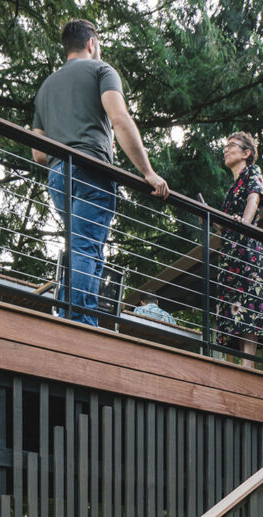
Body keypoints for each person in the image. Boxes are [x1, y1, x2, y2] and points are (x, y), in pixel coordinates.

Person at [31, 19, 169, 326]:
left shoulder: (46, 87)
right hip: (91, 168)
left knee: (79, 246)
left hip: (57, 175)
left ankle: (71, 315)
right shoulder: (101, 70)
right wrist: (147, 172)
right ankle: (81, 324)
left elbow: (38, 153)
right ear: (92, 43)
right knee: (87, 247)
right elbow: (119, 119)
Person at [215, 132, 263, 366]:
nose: (226, 149)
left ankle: (248, 366)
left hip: (246, 247)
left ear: (246, 153)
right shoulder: (231, 188)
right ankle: (241, 363)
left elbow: (254, 198)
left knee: (248, 302)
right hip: (230, 252)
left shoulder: (253, 172)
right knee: (235, 305)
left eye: (231, 146)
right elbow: (223, 228)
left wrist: (245, 225)